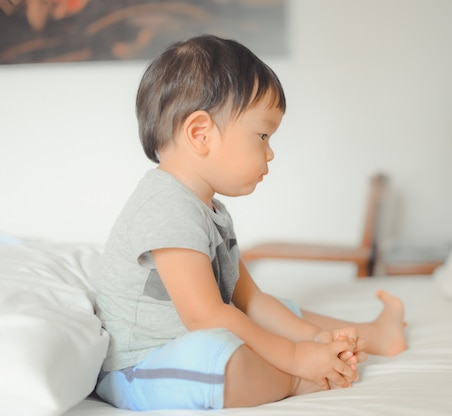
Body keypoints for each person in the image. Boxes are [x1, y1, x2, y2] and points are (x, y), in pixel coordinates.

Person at [93, 34, 407, 411]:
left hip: (190, 342)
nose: (270, 152)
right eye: (262, 135)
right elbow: (205, 315)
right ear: (200, 133)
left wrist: (314, 340)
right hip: (142, 369)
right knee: (217, 353)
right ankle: (297, 379)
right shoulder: (166, 205)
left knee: (277, 310)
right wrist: (294, 359)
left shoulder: (211, 212)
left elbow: (252, 301)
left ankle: (372, 335)